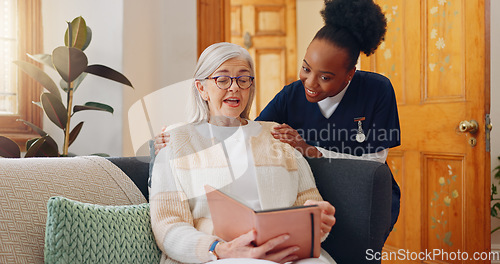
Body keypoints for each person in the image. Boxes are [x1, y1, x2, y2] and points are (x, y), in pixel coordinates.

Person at [154, 0, 401, 236]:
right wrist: (178, 136)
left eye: (325, 77)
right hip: (314, 196)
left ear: (349, 75)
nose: (310, 84)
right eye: (305, 68)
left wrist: (308, 149)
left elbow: (375, 160)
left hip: (362, 191)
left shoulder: (377, 90)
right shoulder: (292, 95)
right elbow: (250, 131)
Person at [150, 42, 336, 264]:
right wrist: (219, 249)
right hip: (215, 256)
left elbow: (310, 204)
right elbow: (167, 224)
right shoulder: (175, 141)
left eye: (243, 79)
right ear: (201, 88)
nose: (234, 87)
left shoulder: (276, 135)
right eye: (222, 79)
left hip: (285, 253)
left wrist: (317, 219)